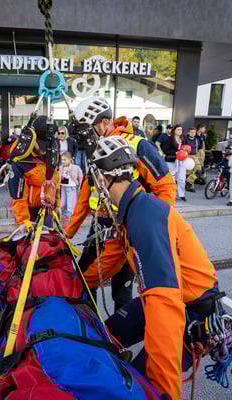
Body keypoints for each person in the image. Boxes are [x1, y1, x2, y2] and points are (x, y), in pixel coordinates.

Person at [90, 136, 222, 399]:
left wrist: (165, 391)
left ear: (105, 178)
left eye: (96, 181)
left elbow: (165, 304)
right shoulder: (130, 210)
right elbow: (109, 260)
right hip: (159, 302)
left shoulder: (145, 217)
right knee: (101, 338)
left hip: (190, 314)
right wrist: (74, 281)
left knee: (140, 384)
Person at [66, 96, 175, 310]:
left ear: (105, 123)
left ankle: (119, 330)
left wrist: (153, 229)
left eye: (88, 130)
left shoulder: (138, 145)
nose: (85, 137)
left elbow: (166, 187)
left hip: (128, 229)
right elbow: (85, 197)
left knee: (121, 291)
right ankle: (91, 325)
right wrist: (67, 233)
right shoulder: (96, 149)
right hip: (99, 227)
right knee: (83, 281)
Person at [8, 115, 60, 230]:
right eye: (41, 144)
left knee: (48, 240)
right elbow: (18, 197)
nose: (44, 149)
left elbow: (55, 180)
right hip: (29, 213)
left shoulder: (52, 153)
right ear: (31, 138)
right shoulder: (21, 161)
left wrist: (57, 204)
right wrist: (23, 222)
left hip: (47, 210)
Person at [161, 125, 187, 201]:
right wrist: (175, 152)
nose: (180, 131)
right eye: (178, 129)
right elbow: (165, 150)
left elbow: (186, 148)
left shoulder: (183, 139)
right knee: (171, 178)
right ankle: (170, 194)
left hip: (181, 161)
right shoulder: (169, 139)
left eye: (181, 129)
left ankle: (181, 194)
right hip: (171, 160)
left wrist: (184, 152)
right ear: (174, 130)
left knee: (181, 178)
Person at [59, 151, 83, 225]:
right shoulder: (61, 167)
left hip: (71, 187)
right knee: (63, 202)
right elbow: (59, 176)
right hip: (63, 187)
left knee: (70, 203)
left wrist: (79, 183)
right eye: (62, 160)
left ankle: (70, 218)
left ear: (70, 160)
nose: (63, 161)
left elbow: (80, 175)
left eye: (65, 160)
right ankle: (65, 215)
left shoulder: (75, 167)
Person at [183, 127, 203, 193]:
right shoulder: (184, 139)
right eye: (191, 132)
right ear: (188, 132)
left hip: (195, 156)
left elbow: (199, 148)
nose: (193, 133)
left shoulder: (197, 140)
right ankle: (191, 187)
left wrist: (199, 157)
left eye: (194, 132)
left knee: (198, 171)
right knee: (189, 172)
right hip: (187, 156)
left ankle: (189, 182)